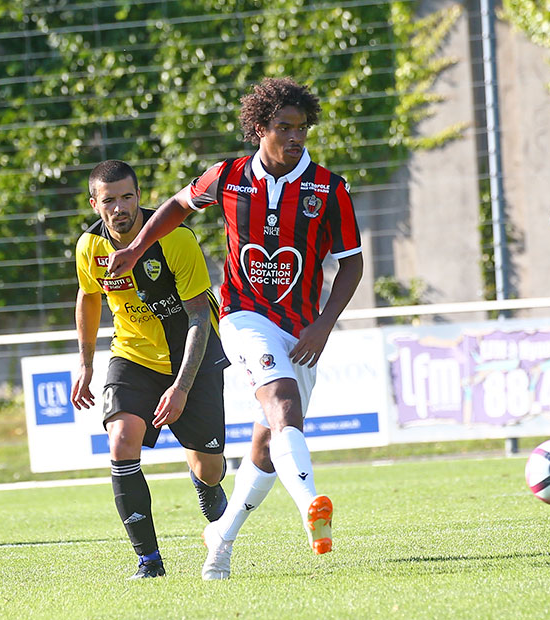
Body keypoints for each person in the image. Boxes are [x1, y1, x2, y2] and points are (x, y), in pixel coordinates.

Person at [106, 78, 364, 578]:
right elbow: (178, 205)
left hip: (302, 329)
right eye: (285, 127)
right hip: (243, 316)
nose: (295, 137)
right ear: (260, 127)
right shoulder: (228, 176)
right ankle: (312, 507)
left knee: (266, 447)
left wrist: (323, 325)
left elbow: (352, 263)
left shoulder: (329, 189)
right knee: (283, 401)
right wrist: (136, 248)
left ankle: (220, 537)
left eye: (302, 128)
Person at [71, 160, 230, 579]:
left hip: (191, 355)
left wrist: (181, 387)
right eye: (109, 200)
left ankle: (205, 481)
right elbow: (88, 296)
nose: (119, 207)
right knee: (122, 440)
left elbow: (199, 317)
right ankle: (149, 561)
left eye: (128, 197)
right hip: (133, 356)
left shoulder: (176, 238)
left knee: (209, 468)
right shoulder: (89, 247)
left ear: (139, 197)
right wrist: (85, 363)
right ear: (95, 204)